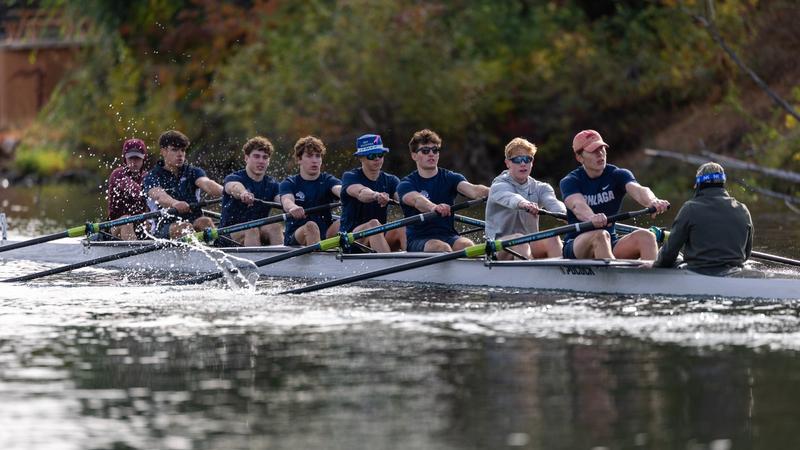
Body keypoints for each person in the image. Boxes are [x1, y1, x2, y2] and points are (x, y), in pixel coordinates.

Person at [559, 129, 670, 260]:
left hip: (609, 241)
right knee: (600, 235)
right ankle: (614, 278)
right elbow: (577, 206)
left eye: (602, 148)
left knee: (647, 236)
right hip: (576, 244)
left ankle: (651, 278)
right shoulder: (570, 181)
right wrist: (592, 217)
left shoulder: (618, 174)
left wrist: (653, 201)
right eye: (593, 151)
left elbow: (639, 190)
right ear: (579, 157)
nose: (600, 154)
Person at [397, 129, 490, 252]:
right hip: (418, 239)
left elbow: (474, 190)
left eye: (435, 150)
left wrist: (497, 191)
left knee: (468, 245)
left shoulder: (450, 177)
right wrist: (433, 207)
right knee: (442, 248)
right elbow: (417, 200)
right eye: (425, 151)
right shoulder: (406, 184)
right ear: (414, 156)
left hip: (448, 235)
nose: (431, 154)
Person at [652, 162, 753, 275]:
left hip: (697, 272)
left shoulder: (690, 208)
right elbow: (746, 254)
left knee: (663, 252)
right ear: (723, 183)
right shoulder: (743, 210)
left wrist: (653, 266)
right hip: (733, 272)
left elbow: (668, 254)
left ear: (698, 184)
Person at [485, 137, 566, 260]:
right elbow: (512, 198)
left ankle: (562, 275)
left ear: (532, 162)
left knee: (553, 237)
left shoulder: (542, 188)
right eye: (517, 159)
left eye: (527, 159)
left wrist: (567, 215)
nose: (523, 163)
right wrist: (524, 204)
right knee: (519, 239)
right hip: (497, 247)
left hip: (529, 242)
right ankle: (533, 275)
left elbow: (554, 203)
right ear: (507, 163)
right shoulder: (498, 186)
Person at [142, 130, 224, 239]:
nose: (180, 154)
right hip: (164, 226)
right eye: (175, 150)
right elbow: (160, 196)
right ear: (163, 151)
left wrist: (227, 191)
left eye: (183, 150)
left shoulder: (193, 172)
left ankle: (214, 250)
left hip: (194, 220)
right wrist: (175, 203)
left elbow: (208, 184)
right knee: (185, 228)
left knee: (206, 222)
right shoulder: (152, 176)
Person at [340, 133, 404, 252]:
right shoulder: (350, 177)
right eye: (371, 155)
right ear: (361, 158)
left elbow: (404, 198)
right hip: (351, 240)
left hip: (379, 235)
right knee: (373, 224)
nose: (377, 158)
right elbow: (361, 192)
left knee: (403, 226)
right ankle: (387, 266)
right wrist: (376, 195)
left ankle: (417, 265)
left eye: (380, 154)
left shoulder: (391, 180)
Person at [220, 136, 283, 246]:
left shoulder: (272, 184)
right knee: (252, 229)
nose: (261, 161)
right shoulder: (234, 178)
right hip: (227, 234)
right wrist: (243, 193)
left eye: (265, 157)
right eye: (256, 156)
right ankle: (254, 261)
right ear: (246, 158)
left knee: (275, 227)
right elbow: (234, 187)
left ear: (268, 161)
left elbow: (282, 200)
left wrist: (292, 206)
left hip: (257, 229)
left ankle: (283, 263)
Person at [279, 136, 342, 246]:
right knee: (311, 226)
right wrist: (293, 207)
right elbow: (287, 201)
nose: (314, 160)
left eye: (318, 156)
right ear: (299, 160)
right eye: (309, 156)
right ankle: (320, 261)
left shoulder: (327, 180)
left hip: (325, 235)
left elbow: (340, 190)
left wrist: (349, 195)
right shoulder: (289, 183)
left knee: (345, 221)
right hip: (297, 237)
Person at [106, 138, 148, 240]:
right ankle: (135, 255)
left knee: (151, 223)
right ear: (125, 159)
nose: (134, 162)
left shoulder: (147, 176)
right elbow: (135, 190)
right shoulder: (118, 174)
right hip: (115, 225)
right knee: (127, 221)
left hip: (139, 224)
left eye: (137, 158)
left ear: (143, 159)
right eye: (130, 158)